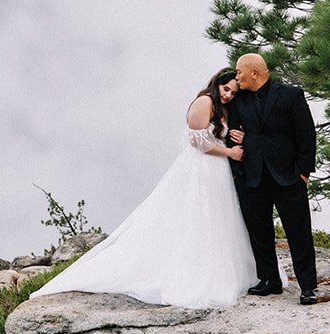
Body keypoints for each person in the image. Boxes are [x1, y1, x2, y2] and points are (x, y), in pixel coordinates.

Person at [30, 68, 257, 309]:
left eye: (233, 92)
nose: (229, 95)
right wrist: (229, 152)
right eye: (226, 89)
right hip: (201, 167)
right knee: (196, 215)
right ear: (217, 84)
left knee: (216, 217)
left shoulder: (222, 108)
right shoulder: (204, 102)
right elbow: (197, 140)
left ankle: (219, 270)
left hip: (216, 170)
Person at [226, 52, 319, 304]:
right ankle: (269, 280)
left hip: (289, 176)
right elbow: (232, 137)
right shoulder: (237, 102)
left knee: (298, 233)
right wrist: (238, 174)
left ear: (254, 72)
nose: (237, 76)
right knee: (259, 230)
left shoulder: (291, 95)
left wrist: (304, 171)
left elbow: (306, 135)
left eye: (239, 71)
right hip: (251, 177)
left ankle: (308, 286)